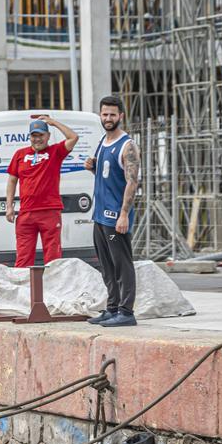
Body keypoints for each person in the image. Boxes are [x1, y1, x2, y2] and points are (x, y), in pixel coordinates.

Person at [84, 95, 141, 327]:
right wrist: (92, 168)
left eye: (112, 115)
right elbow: (108, 176)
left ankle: (126, 312)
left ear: (121, 116)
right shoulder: (103, 141)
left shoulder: (127, 146)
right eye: (105, 114)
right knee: (106, 265)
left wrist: (124, 214)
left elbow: (132, 182)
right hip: (99, 215)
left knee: (122, 264)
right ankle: (112, 307)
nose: (108, 118)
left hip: (115, 216)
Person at [5, 115, 79, 268]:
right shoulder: (20, 154)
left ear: (48, 136)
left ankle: (52, 289)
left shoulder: (55, 152)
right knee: (23, 259)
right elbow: (12, 180)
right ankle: (25, 290)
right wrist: (9, 206)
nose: (37, 139)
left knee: (53, 259)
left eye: (41, 135)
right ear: (29, 136)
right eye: (34, 135)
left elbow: (73, 137)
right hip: (26, 214)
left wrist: (53, 122)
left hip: (50, 212)